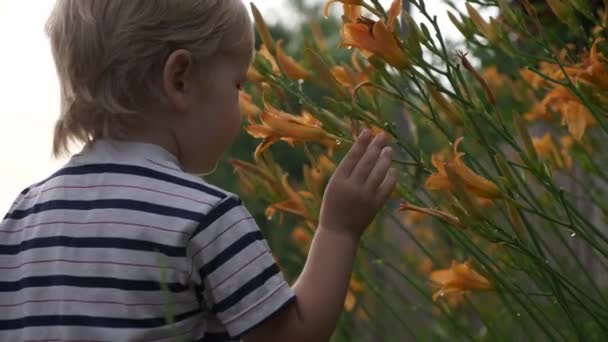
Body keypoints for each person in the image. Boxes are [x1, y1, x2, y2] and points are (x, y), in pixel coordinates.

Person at [0, 0, 397, 341]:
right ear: (181, 79)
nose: (242, 106)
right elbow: (292, 335)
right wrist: (338, 229)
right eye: (238, 86)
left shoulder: (21, 216)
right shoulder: (205, 216)